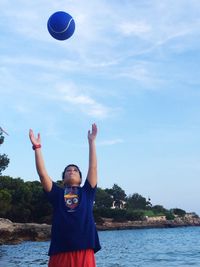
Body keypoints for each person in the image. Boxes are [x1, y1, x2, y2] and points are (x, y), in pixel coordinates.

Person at [29, 123, 101, 267]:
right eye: (68, 170)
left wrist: (92, 141)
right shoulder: (57, 194)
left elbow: (93, 167)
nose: (72, 171)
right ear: (63, 179)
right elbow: (43, 174)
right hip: (60, 251)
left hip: (84, 249)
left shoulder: (87, 191)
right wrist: (37, 148)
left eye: (75, 170)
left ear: (81, 179)